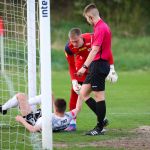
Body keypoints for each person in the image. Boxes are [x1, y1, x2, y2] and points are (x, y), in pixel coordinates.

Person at [64, 27, 118, 131]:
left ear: (81, 36)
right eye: (72, 42)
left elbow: (106, 49)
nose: (74, 44)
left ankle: (101, 122)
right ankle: (73, 122)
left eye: (76, 41)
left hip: (95, 65)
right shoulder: (68, 48)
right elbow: (71, 65)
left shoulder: (92, 38)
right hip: (81, 69)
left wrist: (112, 68)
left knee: (94, 94)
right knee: (76, 92)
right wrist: (74, 81)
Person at [76, 3, 116, 136]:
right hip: (96, 65)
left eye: (87, 18)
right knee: (83, 93)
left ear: (90, 16)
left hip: (98, 65)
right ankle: (102, 120)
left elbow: (94, 50)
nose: (87, 21)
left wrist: (84, 67)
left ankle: (99, 127)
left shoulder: (100, 28)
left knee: (98, 96)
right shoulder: (101, 26)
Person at [0, 93, 81, 132]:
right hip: (44, 115)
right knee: (49, 94)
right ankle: (22, 103)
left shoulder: (47, 121)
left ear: (55, 108)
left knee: (20, 96)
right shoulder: (69, 116)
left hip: (33, 120)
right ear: (65, 109)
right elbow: (77, 108)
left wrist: (21, 120)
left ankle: (3, 108)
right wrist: (80, 94)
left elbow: (33, 129)